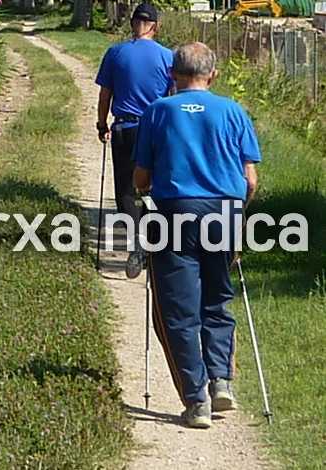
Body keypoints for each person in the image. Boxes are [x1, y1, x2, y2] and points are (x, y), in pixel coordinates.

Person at [133, 42, 261, 429]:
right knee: (217, 300)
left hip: (174, 214)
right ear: (213, 74)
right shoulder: (234, 111)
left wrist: (146, 190)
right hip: (223, 213)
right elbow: (250, 180)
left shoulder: (157, 112)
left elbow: (141, 178)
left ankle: (196, 399)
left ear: (173, 74)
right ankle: (221, 379)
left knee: (178, 311)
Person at [95, 2, 173, 278]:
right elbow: (173, 97)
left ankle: (136, 245)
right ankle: (154, 245)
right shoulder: (168, 57)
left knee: (126, 191)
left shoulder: (116, 53)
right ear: (155, 26)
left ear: (132, 24)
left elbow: (105, 94)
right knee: (154, 188)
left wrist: (101, 123)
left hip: (125, 129)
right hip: (156, 130)